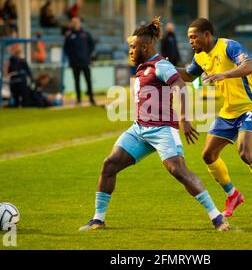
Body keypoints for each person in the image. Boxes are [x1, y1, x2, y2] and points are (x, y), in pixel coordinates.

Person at [79, 17, 229, 232]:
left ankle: (217, 217)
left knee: (178, 171)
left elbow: (180, 85)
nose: (130, 51)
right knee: (109, 165)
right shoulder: (142, 66)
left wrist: (184, 118)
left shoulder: (160, 65)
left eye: (133, 47)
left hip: (162, 130)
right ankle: (98, 220)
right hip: (139, 129)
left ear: (145, 47)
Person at [177, 18, 252, 219]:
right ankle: (232, 195)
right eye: (189, 38)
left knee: (245, 152)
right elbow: (188, 76)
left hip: (250, 107)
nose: (191, 42)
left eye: (193, 37)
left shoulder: (229, 46)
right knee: (208, 155)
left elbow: (250, 66)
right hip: (228, 111)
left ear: (207, 35)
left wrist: (224, 75)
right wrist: (162, 66)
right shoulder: (200, 58)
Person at [63, 17, 96, 105]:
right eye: (74, 22)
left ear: (80, 23)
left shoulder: (85, 34)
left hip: (85, 61)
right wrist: (71, 56)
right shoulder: (69, 35)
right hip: (75, 63)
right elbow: (66, 48)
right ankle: (78, 99)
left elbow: (92, 44)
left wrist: (87, 54)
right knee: (77, 81)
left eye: (77, 22)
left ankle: (91, 98)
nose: (76, 24)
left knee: (88, 80)